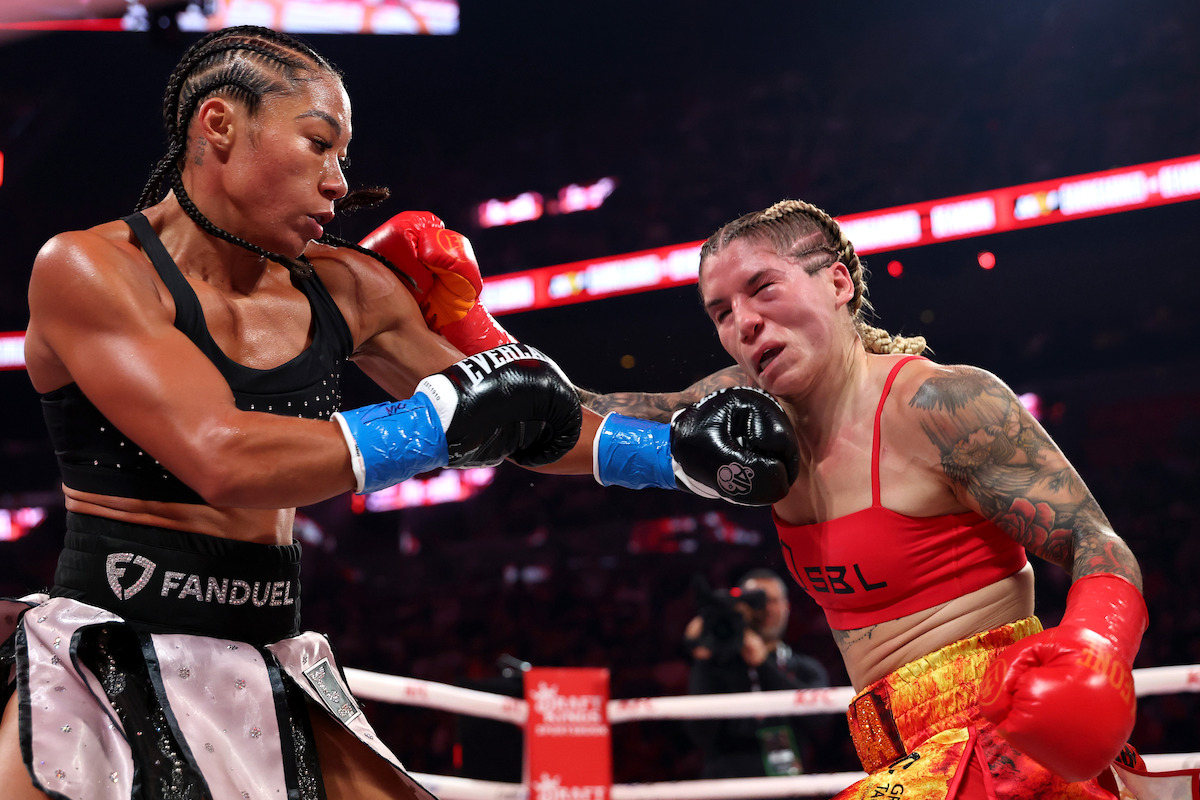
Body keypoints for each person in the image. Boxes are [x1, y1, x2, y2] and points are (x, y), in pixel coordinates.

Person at [0, 27, 803, 800]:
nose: (340, 181)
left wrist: (674, 456)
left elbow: (524, 414)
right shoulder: (94, 268)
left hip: (270, 652)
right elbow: (221, 455)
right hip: (110, 649)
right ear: (219, 124)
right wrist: (433, 424)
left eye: (342, 156)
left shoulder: (345, 286)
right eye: (318, 144)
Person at [577, 199, 1157, 798]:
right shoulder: (744, 418)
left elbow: (1097, 544)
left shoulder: (944, 406)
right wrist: (476, 335)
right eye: (721, 312)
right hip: (900, 763)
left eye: (762, 288)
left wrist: (1094, 649)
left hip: (997, 749)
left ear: (837, 282)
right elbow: (564, 422)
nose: (743, 323)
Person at [683, 568, 829, 779]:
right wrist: (704, 654)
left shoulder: (804, 667)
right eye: (757, 602)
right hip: (727, 791)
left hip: (788, 790)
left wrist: (762, 665)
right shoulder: (716, 668)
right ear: (739, 608)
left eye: (773, 601)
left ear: (787, 606)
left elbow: (819, 720)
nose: (766, 609)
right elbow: (700, 734)